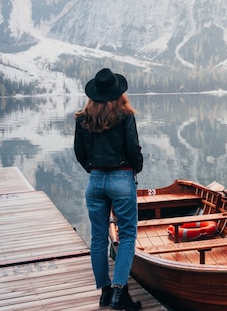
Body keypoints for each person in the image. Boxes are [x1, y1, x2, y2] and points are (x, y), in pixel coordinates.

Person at [74, 68, 143, 311]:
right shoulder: (125, 115)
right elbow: (133, 148)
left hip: (95, 181)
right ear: (117, 93)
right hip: (122, 178)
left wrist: (94, 171)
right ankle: (119, 293)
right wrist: (136, 167)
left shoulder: (82, 118)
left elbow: (79, 153)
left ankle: (104, 292)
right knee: (127, 236)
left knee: (98, 238)